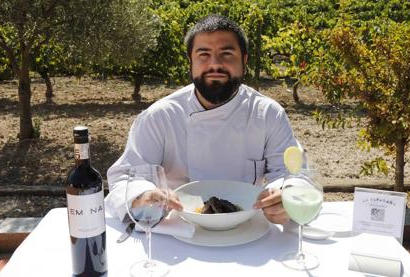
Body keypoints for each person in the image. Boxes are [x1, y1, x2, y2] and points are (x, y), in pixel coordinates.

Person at [105, 14, 302, 225]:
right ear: (190, 60)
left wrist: (286, 196)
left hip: (247, 229)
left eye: (226, 54)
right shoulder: (160, 117)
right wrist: (142, 195)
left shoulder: (267, 114)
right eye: (203, 54)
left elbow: (292, 174)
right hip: (177, 230)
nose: (215, 64)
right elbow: (126, 178)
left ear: (244, 59)